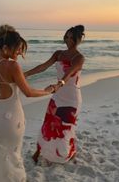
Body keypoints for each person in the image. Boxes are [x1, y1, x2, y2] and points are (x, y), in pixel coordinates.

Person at [0, 24, 58, 182]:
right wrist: (48, 90)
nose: (18, 55)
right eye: (17, 50)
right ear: (6, 48)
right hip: (9, 120)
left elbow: (3, 81)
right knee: (13, 155)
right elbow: (29, 93)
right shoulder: (12, 65)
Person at [25, 25, 85, 164]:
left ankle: (67, 153)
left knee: (65, 128)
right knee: (48, 123)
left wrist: (58, 85)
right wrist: (26, 74)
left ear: (78, 40)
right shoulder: (58, 53)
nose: (68, 40)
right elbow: (43, 66)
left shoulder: (79, 58)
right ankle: (39, 151)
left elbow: (68, 74)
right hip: (58, 95)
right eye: (67, 36)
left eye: (71, 37)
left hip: (71, 98)